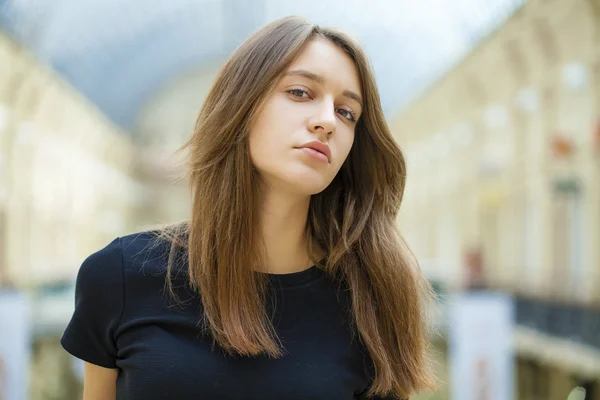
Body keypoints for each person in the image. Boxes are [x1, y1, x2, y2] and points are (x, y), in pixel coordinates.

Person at [61, 16, 436, 400]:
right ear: (242, 104)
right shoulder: (120, 276)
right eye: (301, 92)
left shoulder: (370, 298)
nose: (327, 121)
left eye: (347, 112)